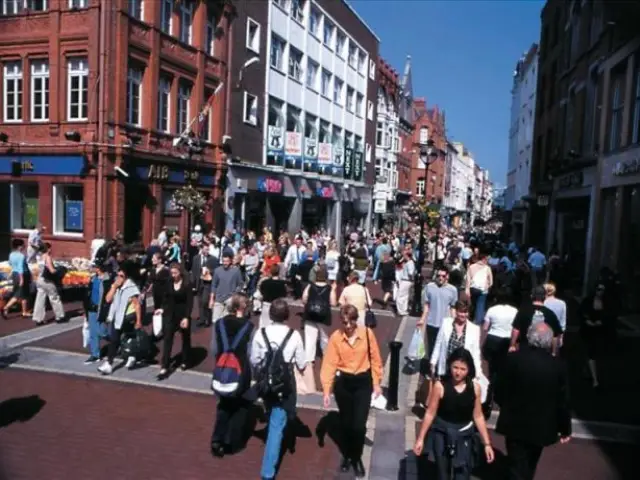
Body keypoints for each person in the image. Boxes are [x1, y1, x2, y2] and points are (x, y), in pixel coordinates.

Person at [495, 323, 572, 480]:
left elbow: (500, 389)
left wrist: (505, 405)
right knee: (531, 463)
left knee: (516, 464)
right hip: (542, 425)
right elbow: (562, 401)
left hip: (514, 421)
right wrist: (565, 428)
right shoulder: (557, 366)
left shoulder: (513, 359)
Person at [320, 304, 383, 478]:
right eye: (344, 323)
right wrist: (326, 390)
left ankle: (356, 457)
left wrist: (377, 383)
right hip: (344, 384)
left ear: (356, 320)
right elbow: (329, 364)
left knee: (359, 425)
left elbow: (375, 360)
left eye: (351, 322)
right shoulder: (336, 338)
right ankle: (347, 455)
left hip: (363, 383)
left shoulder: (367, 335)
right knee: (347, 424)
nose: (347, 326)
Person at [413, 348, 494, 479]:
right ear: (449, 366)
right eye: (455, 367)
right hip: (442, 433)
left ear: (469, 370)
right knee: (441, 474)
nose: (458, 372)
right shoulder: (440, 386)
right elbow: (430, 413)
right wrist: (421, 439)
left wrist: (487, 444)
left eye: (463, 369)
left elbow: (478, 416)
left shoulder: (475, 389)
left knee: (462, 474)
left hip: (464, 435)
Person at [250, 299, 306, 480]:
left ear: (270, 315)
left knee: (272, 411)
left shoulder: (261, 333)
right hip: (285, 382)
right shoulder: (294, 335)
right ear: (287, 315)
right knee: (276, 424)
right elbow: (302, 363)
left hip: (266, 381)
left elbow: (255, 360)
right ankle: (267, 472)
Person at [211, 293, 255, 458]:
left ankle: (217, 438)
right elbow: (251, 353)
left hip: (222, 367)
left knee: (223, 404)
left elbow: (214, 349)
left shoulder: (219, 324)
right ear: (243, 307)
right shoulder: (249, 327)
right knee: (239, 405)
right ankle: (231, 442)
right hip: (241, 370)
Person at [98, 261, 142, 375]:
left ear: (126, 277)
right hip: (117, 317)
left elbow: (137, 305)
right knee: (115, 340)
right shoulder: (116, 286)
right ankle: (109, 363)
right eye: (118, 275)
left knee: (126, 338)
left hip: (127, 317)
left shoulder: (131, 287)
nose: (119, 277)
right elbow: (108, 299)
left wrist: (138, 321)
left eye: (121, 276)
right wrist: (113, 287)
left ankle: (131, 356)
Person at [417, 265, 458, 376]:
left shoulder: (453, 290)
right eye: (438, 276)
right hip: (431, 323)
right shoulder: (429, 287)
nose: (440, 278)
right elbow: (426, 305)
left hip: (445, 324)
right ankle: (432, 371)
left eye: (443, 276)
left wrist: (455, 322)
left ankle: (441, 370)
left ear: (447, 276)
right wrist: (422, 319)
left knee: (443, 348)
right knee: (431, 348)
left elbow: (453, 307)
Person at [156, 263, 193, 380]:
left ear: (180, 272)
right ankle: (164, 366)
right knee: (167, 338)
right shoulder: (169, 282)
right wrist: (162, 308)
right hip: (170, 314)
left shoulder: (187, 284)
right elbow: (165, 298)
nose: (173, 275)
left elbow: (189, 302)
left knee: (185, 338)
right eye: (172, 273)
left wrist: (186, 317)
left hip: (182, 314)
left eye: (175, 273)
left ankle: (185, 360)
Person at [509, 286, 563, 356]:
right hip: (544, 352)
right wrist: (554, 352)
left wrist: (512, 345)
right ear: (545, 297)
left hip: (525, 349)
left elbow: (516, 330)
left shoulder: (523, 311)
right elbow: (555, 335)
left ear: (531, 296)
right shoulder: (550, 314)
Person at [301, 265, 337, 364]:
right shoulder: (329, 288)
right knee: (324, 337)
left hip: (310, 314)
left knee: (309, 337)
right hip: (324, 315)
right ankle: (326, 355)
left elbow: (304, 299)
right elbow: (333, 303)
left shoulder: (310, 286)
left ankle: (309, 358)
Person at [482, 287, 517, 385]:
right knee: (504, 365)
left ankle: (491, 385)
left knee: (492, 366)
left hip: (492, 339)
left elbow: (485, 328)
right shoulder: (514, 311)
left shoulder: (492, 310)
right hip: (507, 339)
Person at [83, 262, 113, 364]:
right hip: (91, 309)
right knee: (93, 333)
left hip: (102, 310)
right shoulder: (93, 279)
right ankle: (95, 355)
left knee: (102, 332)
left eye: (94, 267)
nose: (92, 268)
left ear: (99, 269)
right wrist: (86, 309)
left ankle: (115, 341)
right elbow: (88, 294)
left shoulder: (107, 280)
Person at [32, 243, 65, 325]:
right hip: (47, 280)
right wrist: (60, 270)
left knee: (40, 299)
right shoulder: (47, 257)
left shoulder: (39, 257)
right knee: (54, 297)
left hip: (39, 279)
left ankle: (38, 318)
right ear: (48, 249)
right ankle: (59, 316)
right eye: (50, 248)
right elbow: (51, 270)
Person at [2, 239, 31, 318]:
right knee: (21, 294)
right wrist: (22, 279)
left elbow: (11, 263)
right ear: (19, 247)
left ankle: (24, 311)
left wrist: (11, 273)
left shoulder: (11, 254)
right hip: (22, 275)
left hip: (15, 274)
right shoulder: (21, 256)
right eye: (23, 245)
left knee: (21, 293)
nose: (24, 246)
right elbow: (21, 268)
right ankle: (6, 307)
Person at [465, 252, 493, 325]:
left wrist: (467, 289)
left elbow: (468, 279)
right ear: (483, 259)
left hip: (473, 289)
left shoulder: (471, 267)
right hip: (483, 290)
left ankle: (470, 319)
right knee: (480, 306)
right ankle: (478, 323)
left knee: (473, 304)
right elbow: (491, 282)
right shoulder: (487, 268)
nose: (487, 261)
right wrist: (487, 287)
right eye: (486, 259)